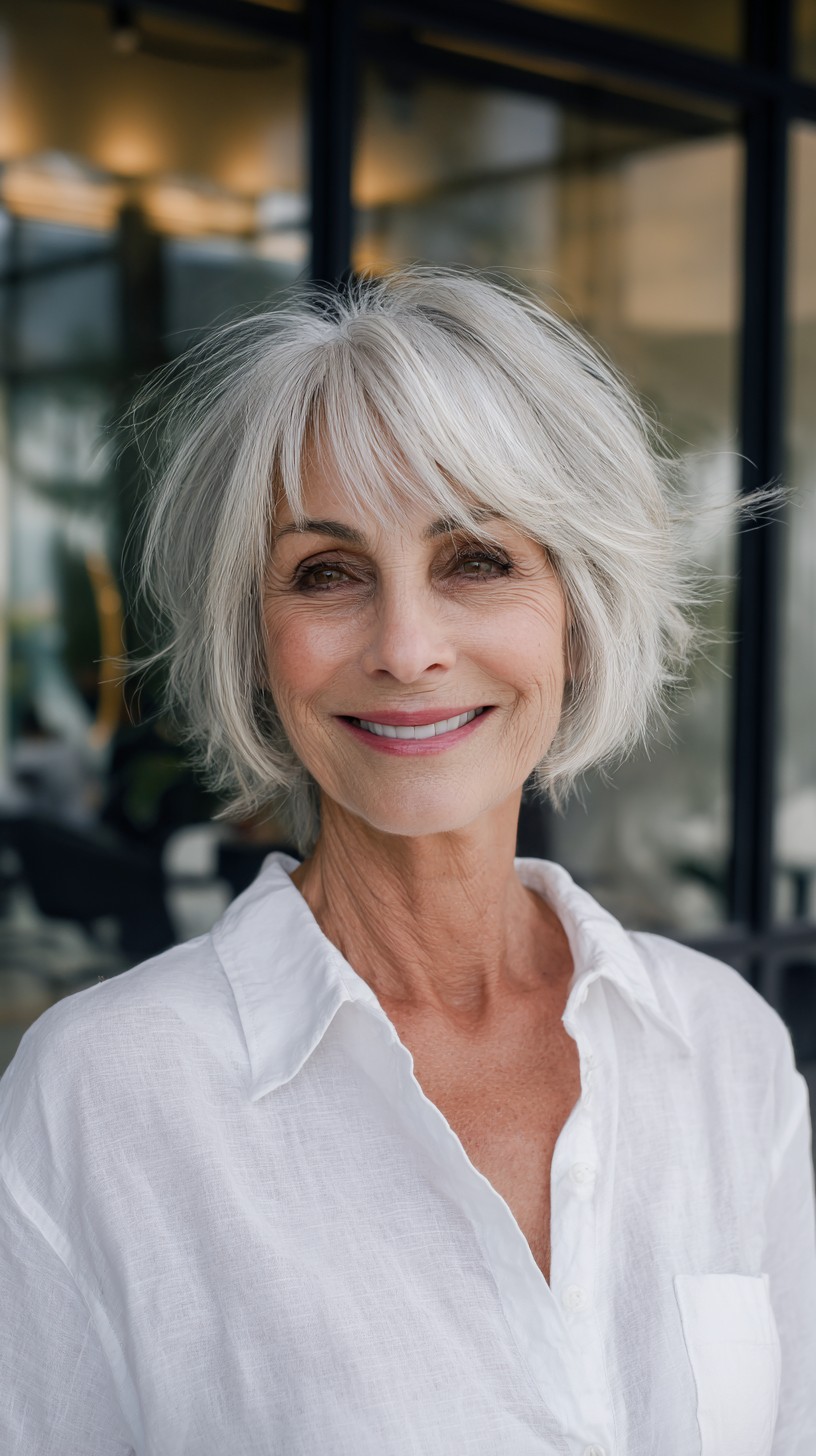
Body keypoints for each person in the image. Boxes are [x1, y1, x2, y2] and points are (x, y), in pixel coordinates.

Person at [1, 266, 814, 1455]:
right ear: (257, 641)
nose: (407, 646)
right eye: (327, 573)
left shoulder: (724, 1048)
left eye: (475, 559)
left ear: (574, 612)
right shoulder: (103, 1096)